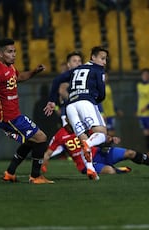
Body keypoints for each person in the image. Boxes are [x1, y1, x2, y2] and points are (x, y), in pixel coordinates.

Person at [0, 38, 54, 184]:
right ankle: (35, 176)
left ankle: (10, 173)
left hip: (14, 116)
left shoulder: (10, 68)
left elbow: (19, 77)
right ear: (0, 54)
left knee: (31, 141)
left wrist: (34, 72)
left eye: (14, 51)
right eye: (9, 52)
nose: (13, 55)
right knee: (41, 138)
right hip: (10, 118)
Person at [44, 46, 108, 181]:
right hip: (86, 103)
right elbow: (102, 93)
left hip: (71, 106)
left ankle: (90, 169)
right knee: (101, 134)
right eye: (102, 58)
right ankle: (89, 145)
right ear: (93, 58)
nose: (104, 62)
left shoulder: (76, 70)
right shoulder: (98, 69)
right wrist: (95, 100)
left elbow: (56, 80)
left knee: (83, 138)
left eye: (105, 59)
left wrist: (51, 101)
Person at [41, 121, 149, 178]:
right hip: (87, 164)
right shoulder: (59, 135)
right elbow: (48, 153)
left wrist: (110, 139)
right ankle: (117, 170)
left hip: (98, 153)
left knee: (130, 153)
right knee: (109, 171)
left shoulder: (82, 127)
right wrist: (43, 165)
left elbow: (98, 136)